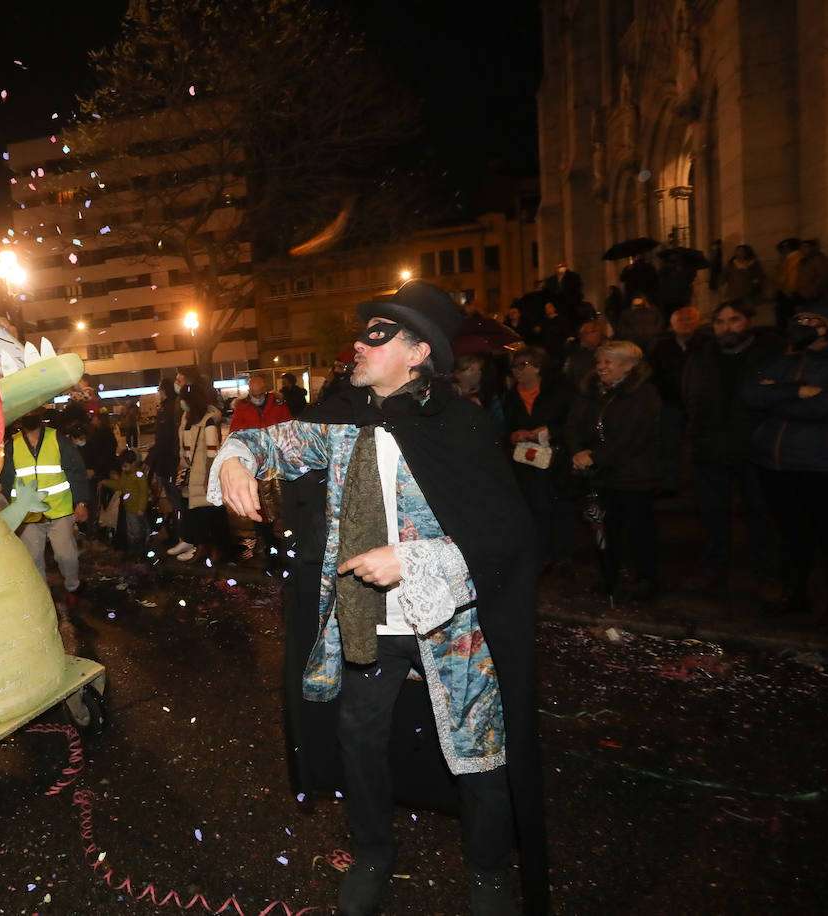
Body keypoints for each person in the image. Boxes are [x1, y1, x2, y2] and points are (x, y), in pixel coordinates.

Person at [212, 280, 548, 915]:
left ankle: (488, 871)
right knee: (359, 737)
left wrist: (416, 558)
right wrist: (236, 457)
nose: (359, 344)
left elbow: (504, 538)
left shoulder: (461, 426)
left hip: (450, 619)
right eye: (362, 331)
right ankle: (372, 851)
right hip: (369, 622)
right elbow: (271, 442)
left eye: (378, 334)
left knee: (476, 747)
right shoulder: (340, 421)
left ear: (419, 352)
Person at [742, 306, 828, 626]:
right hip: (776, 463)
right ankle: (794, 594)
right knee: (791, 535)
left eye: (816, 322)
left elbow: (826, 407)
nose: (807, 327)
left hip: (824, 465)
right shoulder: (786, 361)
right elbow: (750, 394)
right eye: (801, 321)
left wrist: (775, 400)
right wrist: (796, 391)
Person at [682, 301, 784, 595]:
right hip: (711, 447)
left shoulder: (769, 355)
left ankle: (767, 573)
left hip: (754, 448)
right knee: (713, 515)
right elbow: (688, 395)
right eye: (720, 321)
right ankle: (714, 569)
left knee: (760, 513)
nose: (727, 327)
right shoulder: (701, 357)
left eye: (734, 320)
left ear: (748, 321)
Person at [565, 340, 663, 600]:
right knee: (601, 527)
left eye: (608, 362)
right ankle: (608, 576)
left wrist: (594, 457)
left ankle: (646, 579)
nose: (601, 367)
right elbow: (573, 425)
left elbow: (632, 437)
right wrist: (577, 451)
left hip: (632, 475)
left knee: (638, 529)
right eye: (599, 361)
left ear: (628, 366)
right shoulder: (590, 391)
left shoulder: (644, 394)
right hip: (598, 476)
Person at [0, 409, 91, 604]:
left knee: (66, 555)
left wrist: (81, 502)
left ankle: (72, 584)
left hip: (59, 510)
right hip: (28, 514)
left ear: (41, 415)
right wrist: (7, 511)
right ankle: (43, 597)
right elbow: (5, 482)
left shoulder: (57, 439)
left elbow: (76, 471)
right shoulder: (13, 445)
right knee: (33, 559)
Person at [502, 346, 576, 575]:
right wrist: (514, 435)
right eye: (515, 366)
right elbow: (503, 427)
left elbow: (573, 422)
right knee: (534, 508)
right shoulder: (511, 396)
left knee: (559, 507)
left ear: (537, 367)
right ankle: (541, 555)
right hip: (525, 461)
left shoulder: (558, 391)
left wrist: (550, 431)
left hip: (555, 460)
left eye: (523, 365)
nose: (518, 371)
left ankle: (563, 555)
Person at [229, 376, 292, 565]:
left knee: (281, 504)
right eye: (252, 391)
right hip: (254, 465)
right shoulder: (242, 408)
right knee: (259, 506)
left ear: (265, 389)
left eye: (259, 391)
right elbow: (235, 434)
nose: (256, 394)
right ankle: (267, 542)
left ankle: (280, 541)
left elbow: (289, 428)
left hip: (278, 463)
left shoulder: (278, 405)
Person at [647, 306, 708, 493]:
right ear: (672, 324)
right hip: (671, 402)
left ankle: (702, 486)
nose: (685, 324)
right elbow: (653, 373)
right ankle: (669, 484)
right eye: (681, 321)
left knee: (702, 446)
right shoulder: (661, 346)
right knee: (669, 445)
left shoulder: (706, 344)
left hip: (700, 404)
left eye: (690, 320)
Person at [175, 383, 229, 563]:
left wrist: (209, 478)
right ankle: (202, 547)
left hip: (204, 477)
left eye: (184, 399)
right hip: (191, 476)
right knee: (196, 516)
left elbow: (212, 453)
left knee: (211, 515)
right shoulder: (186, 418)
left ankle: (217, 550)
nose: (181, 402)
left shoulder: (209, 420)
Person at [149, 379, 190, 556]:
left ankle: (181, 537)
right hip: (171, 461)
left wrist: (152, 458)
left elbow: (164, 439)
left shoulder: (168, 409)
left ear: (163, 390)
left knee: (177, 502)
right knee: (178, 501)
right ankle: (180, 534)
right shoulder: (171, 406)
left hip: (168, 463)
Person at [100, 450, 150, 559]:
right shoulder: (125, 474)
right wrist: (106, 482)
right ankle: (133, 550)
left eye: (125, 466)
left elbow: (143, 493)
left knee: (137, 531)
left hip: (136, 509)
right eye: (122, 466)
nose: (123, 469)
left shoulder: (139, 475)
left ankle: (140, 552)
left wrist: (141, 508)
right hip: (128, 508)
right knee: (131, 531)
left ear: (133, 464)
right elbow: (121, 486)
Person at [562, 320, 605, 385]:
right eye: (594, 331)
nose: (599, 334)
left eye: (599, 331)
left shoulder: (603, 350)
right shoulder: (575, 356)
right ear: (583, 335)